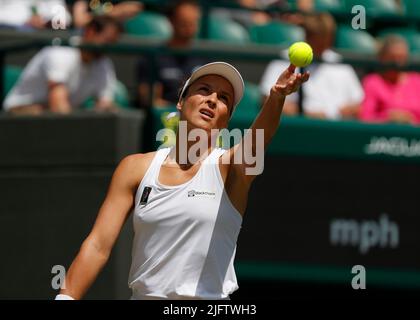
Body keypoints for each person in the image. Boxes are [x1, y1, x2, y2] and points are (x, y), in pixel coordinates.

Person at [55, 61, 309, 300]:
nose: (212, 100)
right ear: (181, 102)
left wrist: (276, 98)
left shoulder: (233, 168)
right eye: (204, 90)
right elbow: (98, 244)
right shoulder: (135, 167)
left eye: (223, 98)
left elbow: (258, 140)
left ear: (227, 118)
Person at [3, 15, 122, 115]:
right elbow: (58, 107)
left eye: (113, 42)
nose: (109, 47)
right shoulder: (61, 52)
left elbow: (105, 105)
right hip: (17, 115)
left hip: (52, 118)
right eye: (107, 40)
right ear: (90, 31)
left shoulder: (103, 63)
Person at [260, 12, 363, 120]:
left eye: (327, 39)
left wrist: (333, 114)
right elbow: (267, 98)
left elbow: (358, 105)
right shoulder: (284, 60)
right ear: (308, 36)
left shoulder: (341, 64)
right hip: (295, 128)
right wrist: (302, 114)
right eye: (319, 38)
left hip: (334, 129)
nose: (323, 44)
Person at [137, 0, 207, 109]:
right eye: (184, 22)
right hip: (166, 120)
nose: (189, 28)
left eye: (193, 22)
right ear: (172, 20)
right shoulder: (153, 57)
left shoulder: (205, 58)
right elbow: (152, 101)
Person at [359, 35, 420, 125]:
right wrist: (387, 118)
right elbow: (366, 117)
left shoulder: (417, 81)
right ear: (382, 58)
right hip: (381, 135)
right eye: (392, 58)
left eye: (401, 58)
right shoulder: (373, 82)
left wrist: (411, 120)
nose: (397, 63)